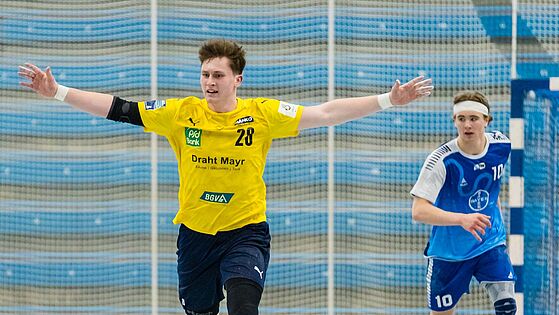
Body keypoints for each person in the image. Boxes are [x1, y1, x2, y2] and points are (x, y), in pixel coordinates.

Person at [19, 38, 433, 315]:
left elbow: (324, 113)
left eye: (218, 75)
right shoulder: (180, 112)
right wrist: (57, 92)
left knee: (243, 306)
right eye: (204, 75)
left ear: (237, 79)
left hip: (245, 231)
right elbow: (119, 108)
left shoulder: (263, 113)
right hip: (196, 235)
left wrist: (387, 100)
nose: (209, 82)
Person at [410, 91, 517, 315]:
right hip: (449, 253)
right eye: (461, 119)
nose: (467, 125)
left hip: (489, 242)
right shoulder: (442, 160)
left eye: (474, 118)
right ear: (454, 121)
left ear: (486, 120)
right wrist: (462, 219)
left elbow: (492, 187)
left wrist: (497, 224)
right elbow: (418, 211)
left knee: (507, 305)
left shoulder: (502, 146)